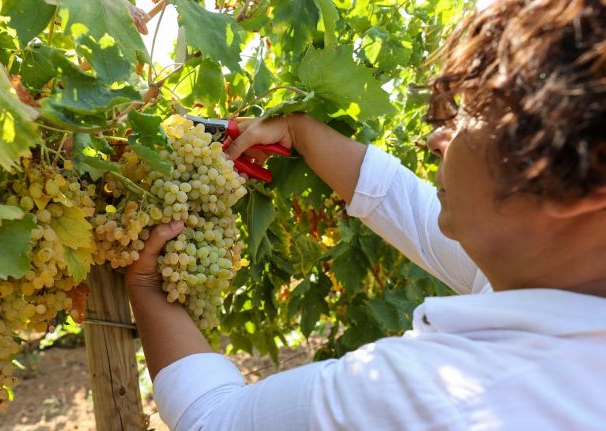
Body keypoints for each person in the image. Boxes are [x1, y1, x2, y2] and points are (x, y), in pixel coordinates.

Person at [126, 0, 606, 429]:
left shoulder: (434, 395)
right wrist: (299, 129)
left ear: (583, 183)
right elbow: (401, 202)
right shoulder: (558, 281)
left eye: (475, 113)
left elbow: (214, 421)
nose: (439, 139)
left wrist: (148, 288)